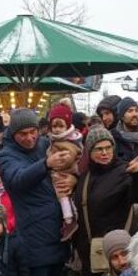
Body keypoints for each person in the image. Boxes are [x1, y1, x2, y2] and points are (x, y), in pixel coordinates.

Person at [0, 107, 74, 276]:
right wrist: (46, 164)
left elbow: (72, 161)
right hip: (32, 233)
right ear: (13, 133)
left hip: (56, 229)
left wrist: (71, 178)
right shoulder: (7, 155)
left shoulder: (44, 144)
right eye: (23, 134)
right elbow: (17, 180)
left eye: (33, 132)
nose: (30, 138)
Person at [73, 125, 138, 276]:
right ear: (89, 152)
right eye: (99, 149)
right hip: (94, 252)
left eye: (108, 147)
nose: (105, 152)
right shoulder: (85, 176)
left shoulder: (125, 170)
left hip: (120, 252)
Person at [46, 102, 83, 242]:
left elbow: (69, 157)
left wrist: (51, 163)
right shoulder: (55, 140)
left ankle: (69, 219)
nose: (56, 129)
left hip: (65, 172)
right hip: (64, 173)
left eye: (60, 126)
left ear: (67, 126)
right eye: (54, 126)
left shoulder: (66, 142)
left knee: (62, 192)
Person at [111, 97, 138, 162]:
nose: (135, 114)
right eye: (130, 111)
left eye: (137, 111)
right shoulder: (112, 137)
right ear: (122, 116)